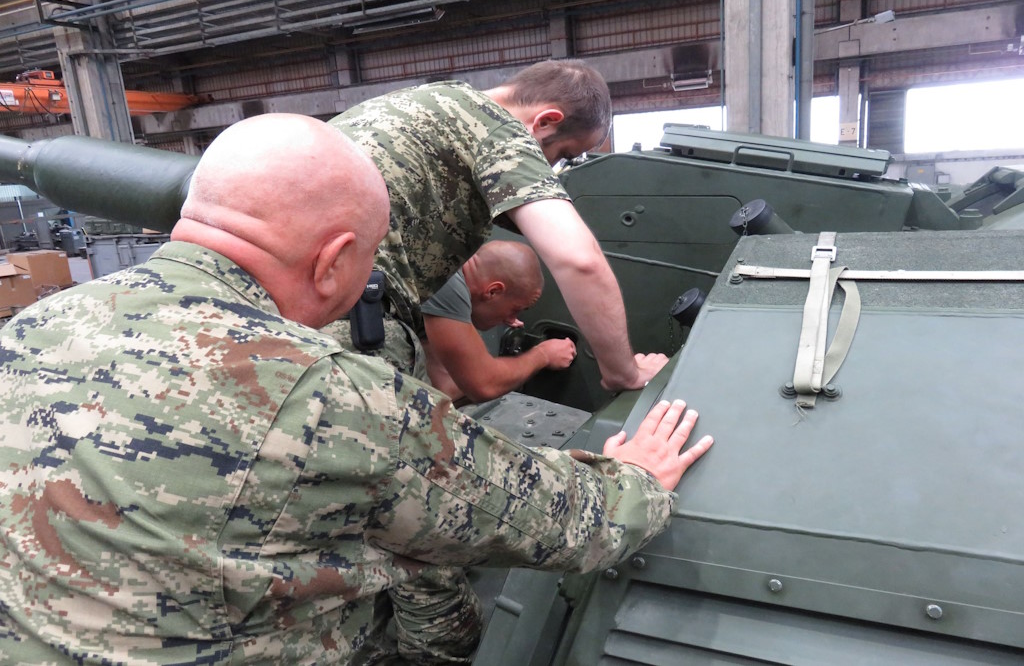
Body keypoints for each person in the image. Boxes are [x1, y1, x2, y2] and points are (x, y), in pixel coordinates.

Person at [0, 113, 713, 664]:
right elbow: (561, 522)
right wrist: (638, 479)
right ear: (338, 258)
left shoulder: (34, 325)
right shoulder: (324, 392)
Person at [329, 59, 667, 392]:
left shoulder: (425, 101)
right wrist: (625, 373)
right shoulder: (500, 130)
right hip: (346, 317)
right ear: (546, 122)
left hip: (301, 300)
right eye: (560, 154)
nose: (551, 168)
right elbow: (580, 260)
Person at [421, 240, 576, 404]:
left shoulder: (447, 265)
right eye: (515, 309)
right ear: (493, 291)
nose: (512, 320)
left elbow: (444, 386)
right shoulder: (445, 282)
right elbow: (482, 384)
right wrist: (543, 354)